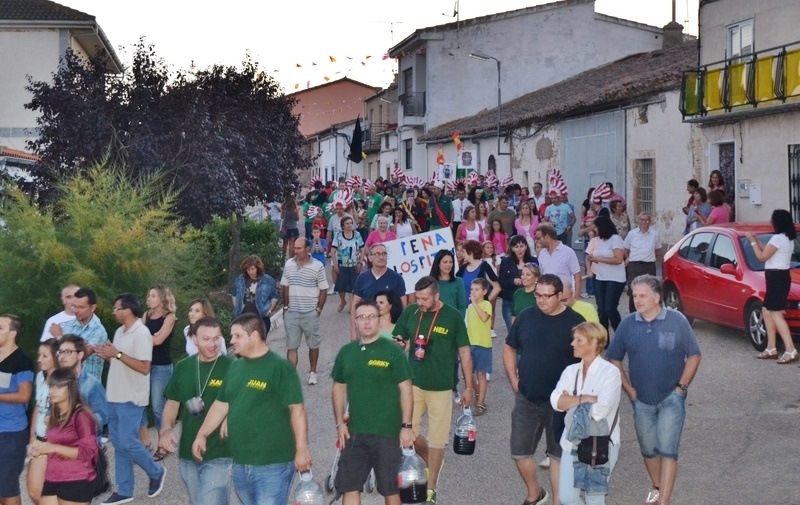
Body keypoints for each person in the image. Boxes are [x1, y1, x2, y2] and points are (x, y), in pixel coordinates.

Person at [192, 314, 311, 505]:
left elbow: (297, 411)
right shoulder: (235, 367)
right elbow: (221, 405)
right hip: (240, 462)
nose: (231, 341)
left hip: (273, 464)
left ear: (254, 336)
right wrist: (202, 434)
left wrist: (302, 449)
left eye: (237, 336)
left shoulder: (281, 368)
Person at [606, 275, 701, 505]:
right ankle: (657, 487)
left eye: (642, 295)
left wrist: (681, 389)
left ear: (657, 298)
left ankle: (663, 500)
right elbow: (613, 358)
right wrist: (629, 390)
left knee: (668, 450)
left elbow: (694, 355)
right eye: (634, 295)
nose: (637, 300)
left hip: (671, 398)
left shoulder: (677, 320)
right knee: (649, 450)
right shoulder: (628, 324)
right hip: (641, 400)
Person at [392, 276, 475, 505]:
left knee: (438, 438)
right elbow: (399, 338)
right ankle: (429, 459)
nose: (420, 302)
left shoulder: (453, 316)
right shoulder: (410, 312)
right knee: (407, 433)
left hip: (441, 387)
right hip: (414, 385)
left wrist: (469, 387)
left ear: (436, 296)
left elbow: (465, 353)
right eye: (417, 298)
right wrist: (399, 343)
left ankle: (431, 487)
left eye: (425, 298)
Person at [504, 275, 585, 505]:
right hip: (527, 398)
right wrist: (513, 379)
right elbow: (509, 347)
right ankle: (535, 492)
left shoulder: (576, 322)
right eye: (538, 295)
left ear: (560, 296)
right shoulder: (525, 317)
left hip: (560, 404)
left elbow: (589, 361)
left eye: (546, 296)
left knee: (557, 456)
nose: (540, 300)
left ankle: (557, 501)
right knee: (520, 453)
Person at [332, 301, 415, 505]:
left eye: (371, 317)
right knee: (349, 487)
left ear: (379, 320)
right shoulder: (346, 352)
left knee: (390, 489)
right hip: (354, 433)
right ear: (356, 322)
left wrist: (406, 426)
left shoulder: (393, 352)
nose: (367, 322)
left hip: (387, 433)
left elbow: (406, 390)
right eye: (361, 317)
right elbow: (339, 388)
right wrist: (340, 423)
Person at [95, 294, 166, 505]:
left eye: (117, 308)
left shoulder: (142, 333)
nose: (114, 312)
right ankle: (125, 490)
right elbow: (121, 362)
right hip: (114, 396)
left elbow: (145, 367)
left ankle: (156, 471)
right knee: (119, 444)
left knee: (127, 441)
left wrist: (116, 354)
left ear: (128, 310)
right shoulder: (118, 332)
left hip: (131, 398)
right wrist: (108, 356)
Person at [159, 318, 234, 505]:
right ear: (194, 339)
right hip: (188, 452)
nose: (213, 344)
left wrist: (230, 416)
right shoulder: (183, 367)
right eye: (206, 339)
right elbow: (172, 403)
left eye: (216, 338)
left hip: (219, 451)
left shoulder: (231, 367)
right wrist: (166, 430)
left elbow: (244, 403)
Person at [550, 322, 622, 505]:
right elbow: (555, 401)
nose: (572, 344)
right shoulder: (570, 371)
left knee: (594, 498)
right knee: (566, 497)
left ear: (594, 343)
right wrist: (585, 398)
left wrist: (571, 401)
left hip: (602, 443)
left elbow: (601, 410)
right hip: (571, 442)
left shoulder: (610, 372)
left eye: (578, 340)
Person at [30, 367, 99, 505]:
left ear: (70, 388)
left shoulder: (82, 416)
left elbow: (88, 452)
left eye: (58, 387)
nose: (52, 391)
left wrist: (52, 448)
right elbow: (56, 442)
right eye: (51, 386)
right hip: (52, 478)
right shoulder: (55, 415)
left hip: (76, 480)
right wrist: (40, 448)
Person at [749, 209, 799, 362]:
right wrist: (757, 241)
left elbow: (762, 257)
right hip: (779, 277)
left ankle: (790, 349)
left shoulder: (778, 238)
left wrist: (752, 242)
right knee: (766, 310)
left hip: (776, 278)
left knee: (776, 314)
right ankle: (771, 347)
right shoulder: (787, 238)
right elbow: (769, 250)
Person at [280, 237, 328, 385]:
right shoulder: (289, 264)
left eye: (299, 248)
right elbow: (285, 286)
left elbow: (324, 289)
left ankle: (313, 372)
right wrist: (286, 307)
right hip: (292, 312)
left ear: (308, 249)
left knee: (313, 344)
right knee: (292, 345)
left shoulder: (317, 266)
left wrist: (318, 309)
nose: (296, 251)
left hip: (310, 312)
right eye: (295, 247)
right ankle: (292, 376)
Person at [0, 314, 35, 505]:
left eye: (0, 327)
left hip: (11, 433)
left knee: (8, 485)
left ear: (12, 333)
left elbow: (24, 396)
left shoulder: (21, 361)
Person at [142, 285, 178, 461]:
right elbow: (139, 337)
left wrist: (147, 337)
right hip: (144, 365)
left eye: (153, 295)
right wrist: (149, 337)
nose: (149, 299)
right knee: (142, 405)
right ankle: (145, 443)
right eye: (149, 295)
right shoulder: (146, 316)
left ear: (163, 298)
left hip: (161, 367)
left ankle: (163, 445)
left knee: (158, 408)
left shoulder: (169, 317)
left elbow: (158, 340)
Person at [27, 338, 60, 505]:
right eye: (39, 355)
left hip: (56, 443)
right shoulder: (40, 377)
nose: (39, 359)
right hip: (40, 440)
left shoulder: (65, 381)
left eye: (45, 355)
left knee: (51, 494)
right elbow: (38, 405)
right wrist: (32, 433)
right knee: (34, 491)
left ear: (56, 357)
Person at [56, 335, 108, 440]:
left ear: (80, 355)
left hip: (84, 443)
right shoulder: (57, 382)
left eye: (68, 352)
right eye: (60, 352)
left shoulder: (92, 384)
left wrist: (78, 421)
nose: (62, 357)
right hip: (61, 441)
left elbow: (103, 417)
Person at [351, 243, 407, 340]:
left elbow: (403, 305)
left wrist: (401, 331)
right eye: (377, 254)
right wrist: (353, 330)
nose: (381, 257)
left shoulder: (396, 278)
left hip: (389, 330)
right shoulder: (362, 278)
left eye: (384, 254)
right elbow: (354, 304)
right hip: (367, 327)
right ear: (370, 257)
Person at [52, 288, 108, 383]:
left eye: (81, 307)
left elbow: (80, 357)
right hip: (67, 384)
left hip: (88, 386)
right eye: (74, 306)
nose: (76, 311)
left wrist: (59, 337)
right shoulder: (68, 325)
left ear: (92, 308)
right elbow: (56, 353)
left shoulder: (98, 331)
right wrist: (76, 346)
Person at [585, 216, 626, 332]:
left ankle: (620, 333)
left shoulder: (615, 239)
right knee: (601, 310)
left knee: (610, 309)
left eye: (597, 227)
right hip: (601, 276)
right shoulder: (601, 241)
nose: (595, 230)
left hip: (615, 278)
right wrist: (593, 258)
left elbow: (618, 259)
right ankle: (604, 337)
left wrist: (599, 259)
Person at [623, 213, 661, 313]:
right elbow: (626, 249)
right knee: (633, 290)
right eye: (642, 220)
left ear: (650, 222)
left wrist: (650, 258)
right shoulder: (632, 234)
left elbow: (657, 249)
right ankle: (633, 313)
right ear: (638, 221)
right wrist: (629, 259)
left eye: (647, 220)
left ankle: (648, 311)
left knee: (649, 289)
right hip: (634, 265)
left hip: (649, 265)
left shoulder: (655, 234)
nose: (645, 222)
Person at [498, 235, 536, 333]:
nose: (519, 249)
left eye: (522, 246)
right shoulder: (505, 261)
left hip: (529, 300)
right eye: (516, 246)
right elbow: (501, 282)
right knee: (513, 332)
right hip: (509, 301)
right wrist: (512, 281)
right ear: (512, 248)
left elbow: (539, 279)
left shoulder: (533, 261)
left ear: (526, 247)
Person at [231, 255, 279, 334]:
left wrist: (269, 311)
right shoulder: (240, 280)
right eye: (248, 269)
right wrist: (237, 309)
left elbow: (274, 298)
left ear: (258, 268)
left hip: (261, 318)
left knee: (260, 344)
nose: (250, 272)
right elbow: (234, 296)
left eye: (252, 269)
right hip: (244, 318)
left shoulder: (268, 280)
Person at [466, 278, 493, 416]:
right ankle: (477, 391)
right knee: (468, 374)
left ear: (484, 291)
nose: (473, 292)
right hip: (471, 344)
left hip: (483, 344)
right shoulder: (470, 307)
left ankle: (481, 402)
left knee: (481, 374)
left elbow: (484, 318)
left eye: (477, 289)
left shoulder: (486, 304)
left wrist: (475, 304)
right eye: (472, 289)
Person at [536, 223, 582, 301]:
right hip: (547, 297)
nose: (538, 241)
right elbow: (541, 276)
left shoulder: (568, 252)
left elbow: (577, 276)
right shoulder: (542, 253)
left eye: (539, 238)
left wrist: (576, 297)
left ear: (546, 237)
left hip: (564, 297)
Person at [332, 216, 366, 313]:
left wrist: (360, 262)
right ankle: (343, 301)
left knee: (353, 287)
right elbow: (333, 250)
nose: (349, 225)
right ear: (343, 225)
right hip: (342, 264)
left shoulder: (357, 234)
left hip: (354, 264)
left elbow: (362, 249)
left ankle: (352, 306)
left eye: (351, 223)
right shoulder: (338, 235)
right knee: (340, 286)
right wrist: (335, 265)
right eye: (347, 223)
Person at [457, 240, 501, 310]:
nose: (462, 254)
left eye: (464, 252)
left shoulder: (484, 266)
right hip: (463, 309)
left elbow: (497, 287)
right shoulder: (463, 268)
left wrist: (485, 303)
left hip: (478, 310)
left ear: (471, 253)